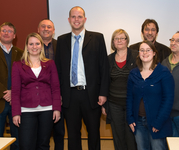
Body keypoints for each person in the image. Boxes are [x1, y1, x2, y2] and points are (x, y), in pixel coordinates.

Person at [55, 6, 109, 150]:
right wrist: (58, 94)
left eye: (79, 17)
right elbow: (58, 70)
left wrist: (103, 93)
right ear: (68, 20)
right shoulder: (61, 40)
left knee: (93, 133)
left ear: (85, 19)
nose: (76, 19)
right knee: (72, 134)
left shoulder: (97, 38)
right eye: (73, 17)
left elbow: (104, 67)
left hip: (91, 95)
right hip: (69, 95)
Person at [11, 33, 61, 150]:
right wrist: (16, 113)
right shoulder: (18, 65)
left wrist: (57, 109)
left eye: (37, 43)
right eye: (31, 44)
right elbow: (15, 91)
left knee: (43, 144)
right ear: (27, 46)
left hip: (47, 109)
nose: (34, 47)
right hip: (26, 110)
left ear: (41, 45)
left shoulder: (50, 64)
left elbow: (55, 87)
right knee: (26, 145)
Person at [126, 40, 174, 150]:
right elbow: (129, 97)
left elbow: (168, 100)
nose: (145, 53)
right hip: (138, 122)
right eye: (142, 50)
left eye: (148, 50)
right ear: (139, 53)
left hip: (157, 122)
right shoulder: (133, 73)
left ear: (154, 53)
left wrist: (158, 122)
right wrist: (130, 118)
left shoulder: (163, 72)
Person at [103, 29, 137, 150]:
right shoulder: (109, 59)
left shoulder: (136, 56)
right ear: (113, 42)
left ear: (127, 40)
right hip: (114, 104)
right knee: (118, 135)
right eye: (116, 38)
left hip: (132, 104)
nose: (120, 41)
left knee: (131, 135)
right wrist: (104, 105)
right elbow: (105, 82)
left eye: (122, 38)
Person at [0, 22, 23, 150]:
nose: (6, 33)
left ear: (14, 35)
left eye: (9, 31)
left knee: (17, 139)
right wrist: (4, 93)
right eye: (3, 30)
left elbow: (24, 76)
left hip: (16, 103)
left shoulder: (20, 52)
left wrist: (13, 93)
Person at [38, 19, 65, 150]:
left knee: (59, 131)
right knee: (43, 133)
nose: (46, 29)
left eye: (49, 27)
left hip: (58, 94)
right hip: (39, 95)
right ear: (38, 30)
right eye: (43, 26)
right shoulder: (33, 46)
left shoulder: (61, 45)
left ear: (53, 31)